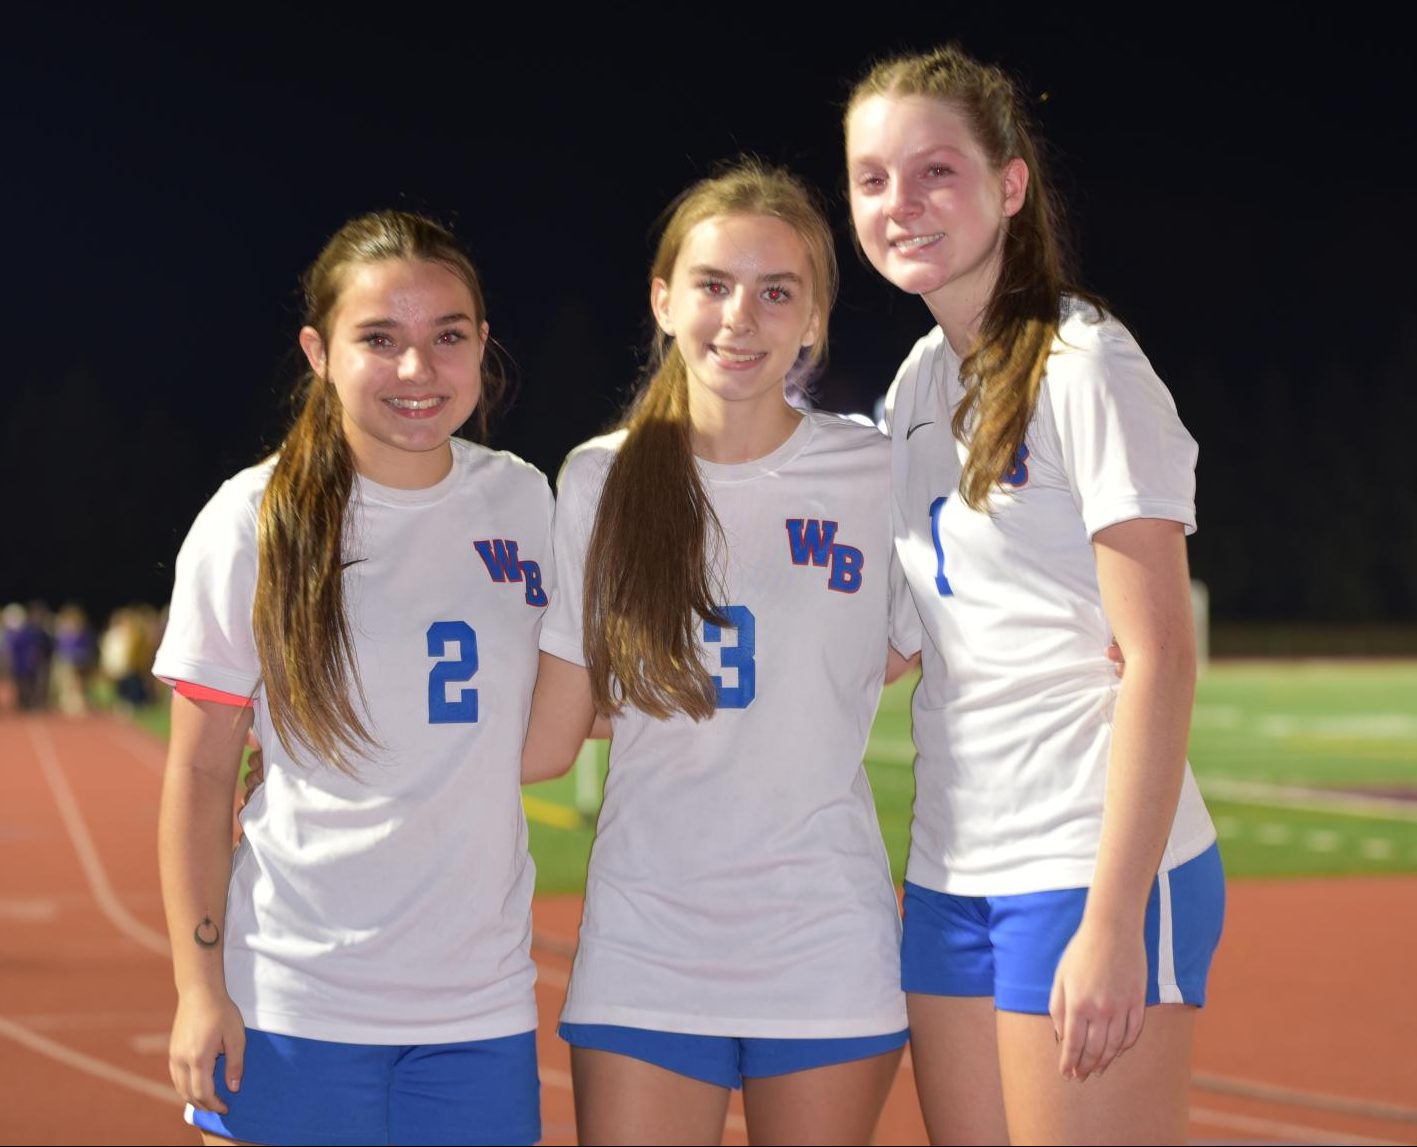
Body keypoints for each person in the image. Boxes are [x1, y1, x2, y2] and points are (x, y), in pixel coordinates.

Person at [843, 43, 1225, 1146]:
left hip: (1085, 859)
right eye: (872, 179)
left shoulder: (1082, 361)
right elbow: (900, 640)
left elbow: (1157, 654)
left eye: (934, 172)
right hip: (952, 864)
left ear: (1008, 186)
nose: (900, 203)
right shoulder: (917, 383)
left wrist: (1112, 919)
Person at [521, 158, 919, 1146]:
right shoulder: (599, 480)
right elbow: (547, 734)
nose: (740, 316)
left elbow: (911, 647)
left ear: (815, 318)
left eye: (775, 290)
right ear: (663, 300)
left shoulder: (874, 473)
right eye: (712, 284)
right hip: (646, 936)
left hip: (825, 932)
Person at [154, 210, 552, 1147]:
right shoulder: (251, 519)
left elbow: (564, 700)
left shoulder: (526, 499)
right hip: (293, 994)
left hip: (479, 1006)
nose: (418, 369)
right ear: (318, 351)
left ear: (482, 344)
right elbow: (201, 775)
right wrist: (197, 988)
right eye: (379, 338)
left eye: (447, 336)